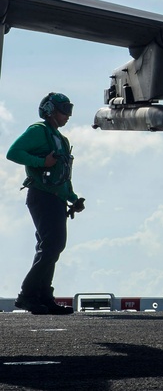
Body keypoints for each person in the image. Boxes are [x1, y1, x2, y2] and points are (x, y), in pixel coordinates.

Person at [7, 93, 86, 315]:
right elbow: (13, 153)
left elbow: (63, 176)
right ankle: (27, 295)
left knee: (50, 247)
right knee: (52, 245)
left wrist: (73, 199)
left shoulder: (61, 139)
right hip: (41, 196)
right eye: (64, 109)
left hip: (56, 198)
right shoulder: (38, 131)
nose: (68, 115)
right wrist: (41, 162)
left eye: (69, 109)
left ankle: (43, 296)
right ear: (50, 110)